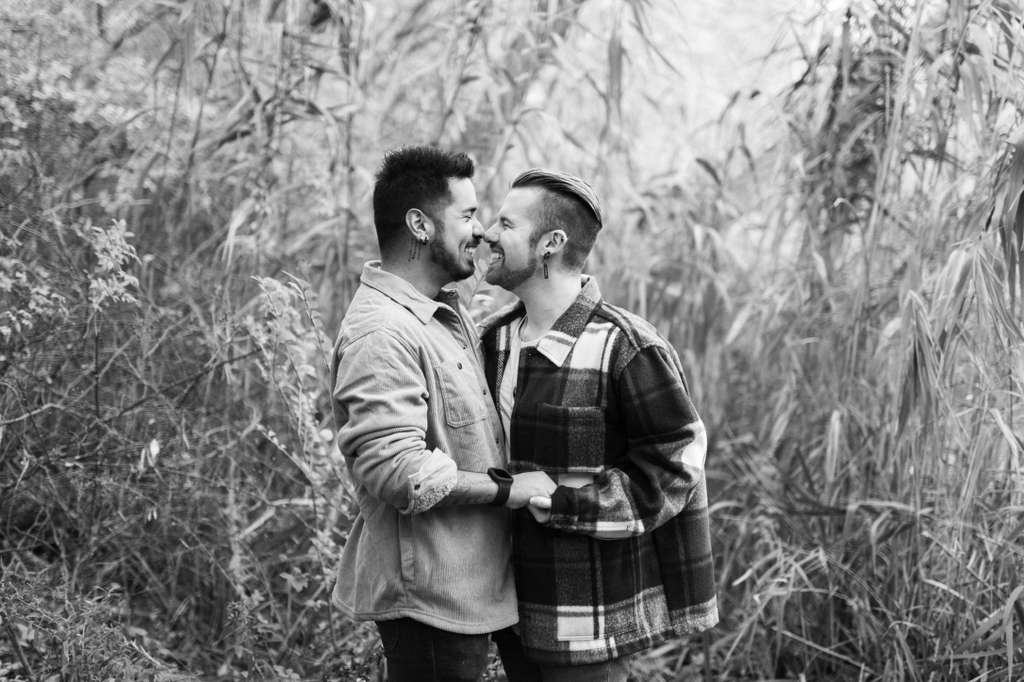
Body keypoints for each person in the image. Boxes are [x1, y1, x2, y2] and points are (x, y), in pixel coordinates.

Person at [478, 169, 719, 681]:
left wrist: (568, 505)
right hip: (505, 606)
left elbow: (678, 462)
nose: (486, 233)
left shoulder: (626, 344)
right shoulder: (491, 340)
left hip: (587, 619)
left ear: (551, 243)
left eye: (506, 224)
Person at [329, 147, 556, 682]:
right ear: (420, 225)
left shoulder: (438, 316)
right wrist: (509, 490)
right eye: (467, 215)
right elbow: (399, 471)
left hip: (478, 584)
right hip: (431, 597)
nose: (479, 231)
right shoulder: (382, 331)